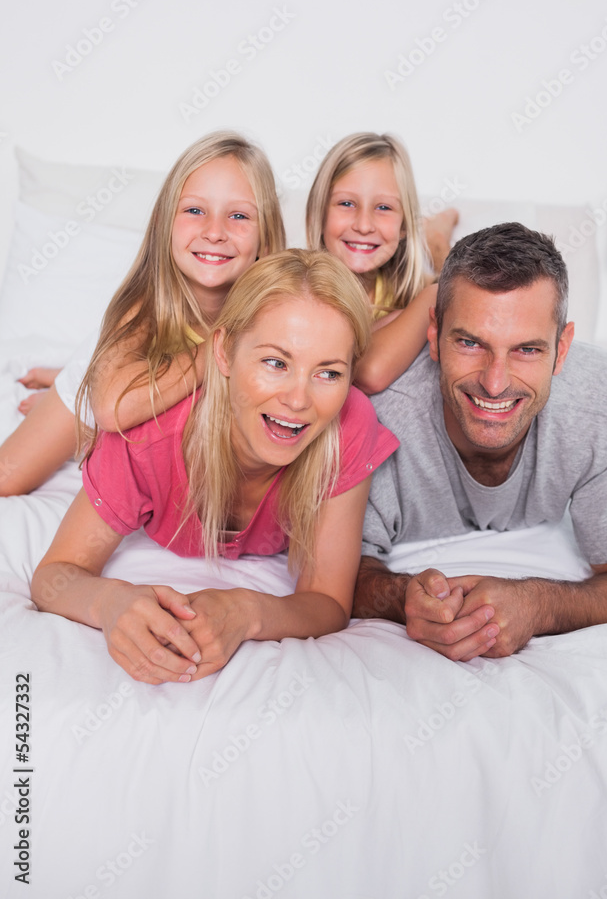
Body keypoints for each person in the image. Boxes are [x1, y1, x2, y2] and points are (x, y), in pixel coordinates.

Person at [31, 250, 400, 684]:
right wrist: (110, 601)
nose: (299, 400)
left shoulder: (347, 424)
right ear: (223, 351)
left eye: (328, 373)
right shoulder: (148, 438)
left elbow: (328, 602)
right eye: (276, 363)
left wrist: (247, 611)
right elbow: (54, 575)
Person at [352, 223, 607, 660]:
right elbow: (337, 577)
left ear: (564, 346)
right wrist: (404, 597)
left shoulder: (605, 401)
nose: (494, 384)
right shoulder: (379, 414)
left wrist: (538, 605)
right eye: (469, 342)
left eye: (527, 350)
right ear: (434, 335)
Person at [0, 130, 286, 496]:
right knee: (8, 478)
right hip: (114, 388)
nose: (215, 232)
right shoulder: (146, 307)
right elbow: (112, 409)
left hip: (155, 403)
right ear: (166, 223)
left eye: (239, 215)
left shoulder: (280, 315)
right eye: (195, 210)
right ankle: (75, 387)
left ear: (266, 235)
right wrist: (224, 345)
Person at [305, 132, 458, 393]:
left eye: (384, 208)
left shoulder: (411, 292)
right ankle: (436, 241)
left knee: (454, 285)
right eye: (346, 203)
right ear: (319, 214)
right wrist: (434, 294)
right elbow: (368, 373)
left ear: (404, 226)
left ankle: (437, 243)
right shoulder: (297, 289)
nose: (364, 225)